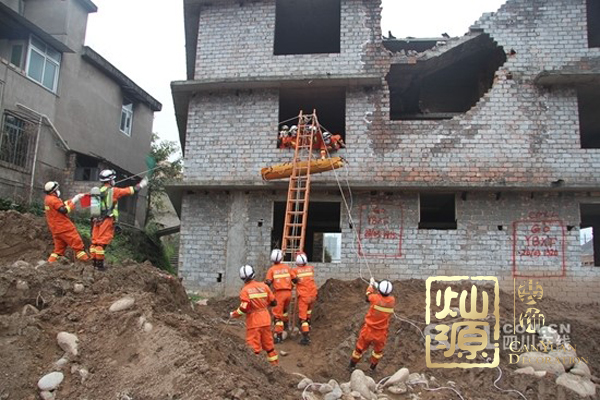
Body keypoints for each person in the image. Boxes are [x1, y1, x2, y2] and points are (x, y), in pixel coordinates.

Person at [90, 169, 147, 271]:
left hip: (96, 220)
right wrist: (142, 184)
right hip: (107, 220)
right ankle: (99, 266)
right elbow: (131, 190)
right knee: (101, 243)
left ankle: (93, 264)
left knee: (95, 242)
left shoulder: (98, 191)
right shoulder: (114, 191)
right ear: (110, 180)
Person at [230, 264, 279, 365]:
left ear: (242, 278)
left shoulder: (245, 290)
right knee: (269, 347)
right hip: (266, 319)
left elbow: (244, 308)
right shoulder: (264, 286)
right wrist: (263, 303)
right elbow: (274, 302)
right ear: (253, 274)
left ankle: (256, 370)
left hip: (254, 322)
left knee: (254, 349)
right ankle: (275, 367)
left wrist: (234, 314)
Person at [349, 278, 395, 372]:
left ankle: (352, 366)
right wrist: (377, 285)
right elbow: (383, 294)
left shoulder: (374, 298)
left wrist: (371, 285)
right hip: (381, 333)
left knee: (359, 349)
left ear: (379, 291)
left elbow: (367, 297)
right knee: (377, 352)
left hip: (368, 330)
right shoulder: (392, 300)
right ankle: (372, 368)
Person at [43, 181, 89, 263]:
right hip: (65, 228)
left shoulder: (48, 199)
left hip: (55, 230)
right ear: (53, 191)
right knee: (78, 247)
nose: (58, 190)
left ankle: (49, 264)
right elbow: (64, 210)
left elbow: (61, 205)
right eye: (57, 189)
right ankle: (87, 263)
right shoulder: (54, 200)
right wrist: (74, 201)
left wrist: (75, 198)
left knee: (58, 251)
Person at [265, 249, 296, 343]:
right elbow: (295, 279)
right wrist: (291, 287)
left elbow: (268, 283)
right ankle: (286, 326)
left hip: (279, 294)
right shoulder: (287, 267)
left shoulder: (271, 270)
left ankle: (278, 337)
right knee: (285, 311)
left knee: (277, 316)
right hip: (288, 294)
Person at [294, 252, 318, 345]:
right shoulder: (310, 269)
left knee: (302, 318)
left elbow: (293, 280)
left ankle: (306, 338)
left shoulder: (295, 271)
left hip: (303, 296)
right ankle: (309, 324)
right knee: (309, 311)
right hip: (312, 295)